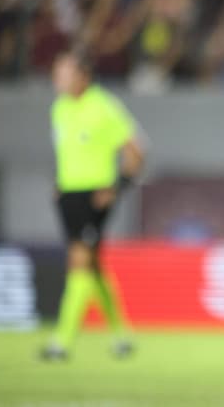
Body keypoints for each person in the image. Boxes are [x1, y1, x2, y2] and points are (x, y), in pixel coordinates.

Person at [40, 49, 145, 360]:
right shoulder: (59, 108)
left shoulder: (103, 106)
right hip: (69, 196)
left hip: (94, 197)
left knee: (79, 261)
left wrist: (117, 187)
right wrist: (60, 183)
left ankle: (61, 341)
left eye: (64, 72)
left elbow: (136, 151)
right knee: (93, 266)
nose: (57, 79)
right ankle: (122, 335)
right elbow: (68, 151)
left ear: (83, 76)